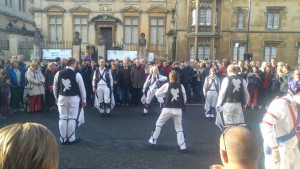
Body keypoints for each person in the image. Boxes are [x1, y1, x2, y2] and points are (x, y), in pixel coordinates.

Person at [260, 69, 300, 169]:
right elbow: (266, 125)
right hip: (281, 150)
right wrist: (274, 149)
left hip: (293, 148)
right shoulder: (280, 103)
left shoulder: (296, 105)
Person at [148, 70, 187, 152]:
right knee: (179, 128)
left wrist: (165, 96)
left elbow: (157, 93)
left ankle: (153, 140)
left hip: (167, 108)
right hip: (178, 109)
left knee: (159, 124)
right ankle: (182, 146)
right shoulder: (181, 86)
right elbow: (185, 99)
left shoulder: (167, 85)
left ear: (170, 77)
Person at [53, 57, 86, 145]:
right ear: (73, 64)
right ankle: (71, 138)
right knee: (72, 117)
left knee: (62, 117)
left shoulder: (58, 73)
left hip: (62, 97)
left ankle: (63, 138)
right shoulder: (77, 74)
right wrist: (84, 99)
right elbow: (82, 88)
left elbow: (55, 87)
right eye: (76, 64)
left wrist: (56, 97)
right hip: (73, 98)